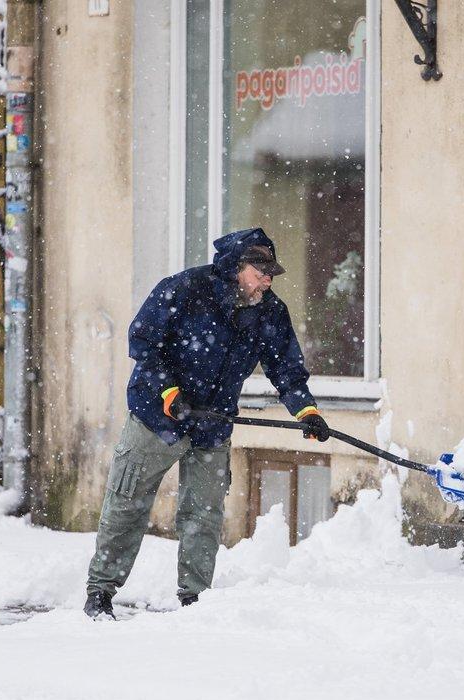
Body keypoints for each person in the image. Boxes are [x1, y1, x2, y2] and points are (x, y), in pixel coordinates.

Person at [84, 227, 331, 619]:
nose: (268, 279)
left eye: (271, 272)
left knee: (203, 514)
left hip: (212, 424)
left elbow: (285, 368)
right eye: (260, 270)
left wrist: (306, 411)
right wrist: (169, 392)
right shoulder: (185, 289)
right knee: (128, 502)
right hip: (156, 417)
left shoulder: (270, 312)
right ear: (236, 266)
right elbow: (142, 342)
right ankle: (100, 593)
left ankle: (194, 601)